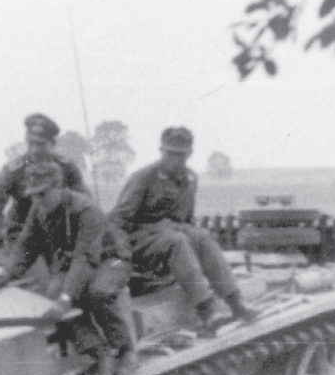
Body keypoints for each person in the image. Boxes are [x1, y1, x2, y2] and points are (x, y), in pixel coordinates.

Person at [0, 162, 137, 375]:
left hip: (110, 259)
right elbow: (26, 244)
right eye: (33, 195)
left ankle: (125, 350)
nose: (37, 200)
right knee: (54, 293)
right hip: (75, 262)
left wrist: (66, 297)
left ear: (58, 187)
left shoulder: (85, 210)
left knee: (97, 293)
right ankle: (99, 354)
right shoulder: (40, 209)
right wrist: (7, 272)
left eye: (42, 193)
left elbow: (86, 258)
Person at [109, 126, 257, 330]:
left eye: (181, 155)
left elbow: (186, 220)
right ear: (162, 151)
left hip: (172, 233)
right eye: (170, 154)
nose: (175, 160)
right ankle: (206, 310)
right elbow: (118, 220)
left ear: (189, 154)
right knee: (177, 241)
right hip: (141, 239)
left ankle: (235, 302)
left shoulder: (189, 179)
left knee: (202, 236)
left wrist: (189, 235)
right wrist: (120, 254)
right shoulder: (143, 178)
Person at [0, 113, 88, 262]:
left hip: (59, 236)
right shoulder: (13, 171)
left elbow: (84, 202)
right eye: (30, 143)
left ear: (53, 144)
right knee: (38, 282)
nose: (34, 149)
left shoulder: (67, 168)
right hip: (21, 236)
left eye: (40, 144)